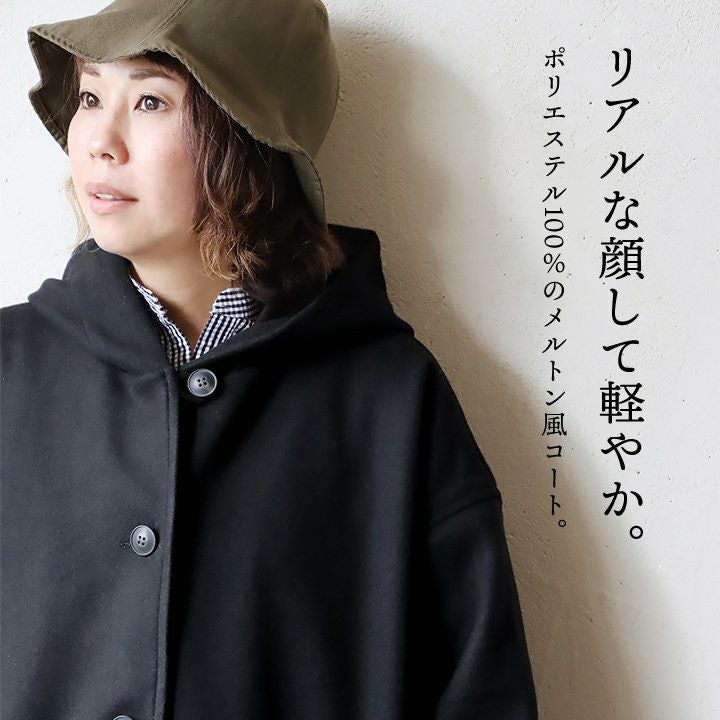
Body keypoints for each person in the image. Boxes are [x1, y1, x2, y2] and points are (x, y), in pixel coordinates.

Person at [0, 0, 539, 718]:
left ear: (246, 136)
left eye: (151, 101)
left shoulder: (390, 397)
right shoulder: (12, 368)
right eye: (92, 95)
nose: (99, 140)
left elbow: (484, 691)